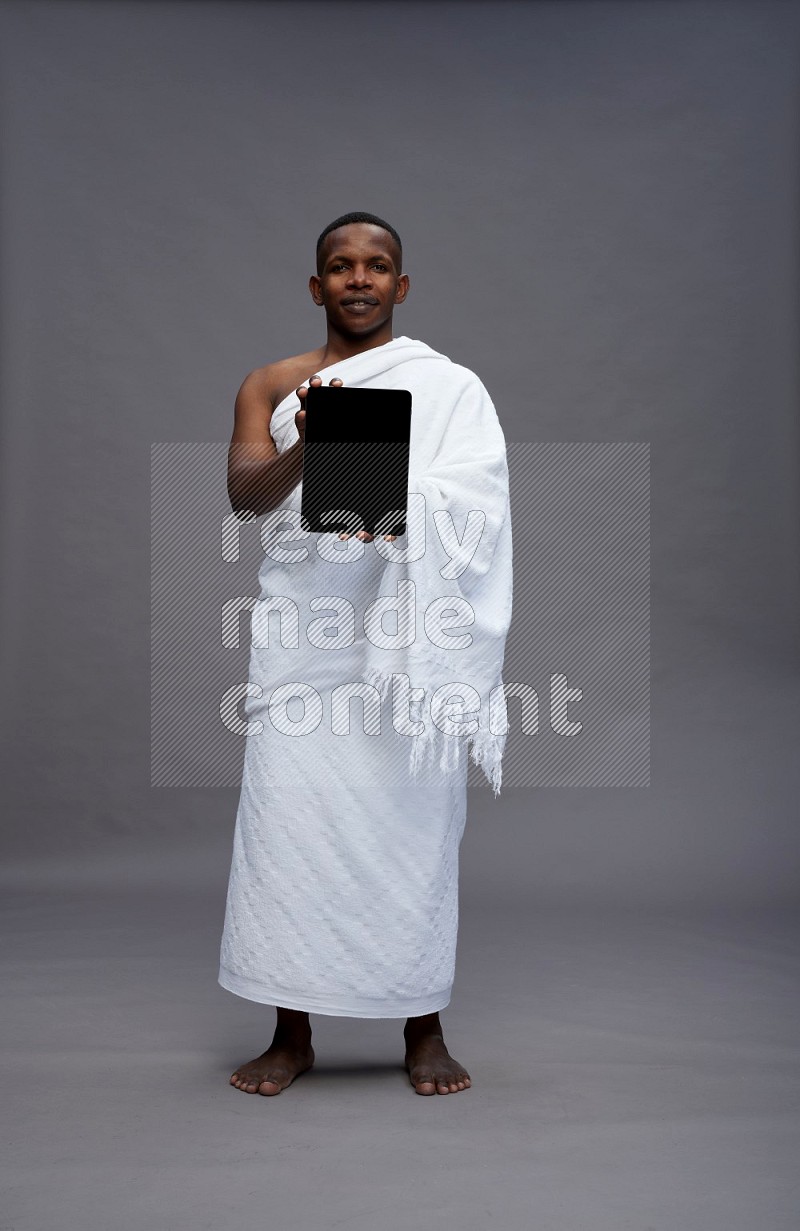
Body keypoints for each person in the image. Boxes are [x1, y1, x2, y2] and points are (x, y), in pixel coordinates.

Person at [219, 211, 512, 1096]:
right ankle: (290, 1030)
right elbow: (243, 497)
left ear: (401, 285)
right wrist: (315, 446)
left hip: (405, 652)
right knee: (290, 829)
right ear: (316, 286)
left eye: (376, 266)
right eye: (340, 266)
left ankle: (422, 1023)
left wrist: (389, 484)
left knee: (413, 826)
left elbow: (479, 501)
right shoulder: (269, 383)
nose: (358, 278)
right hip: (306, 638)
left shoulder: (448, 386)